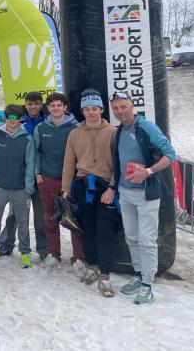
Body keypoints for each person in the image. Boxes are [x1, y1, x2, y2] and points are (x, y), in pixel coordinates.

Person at [111, 92, 176, 305]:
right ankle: (139, 275)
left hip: (147, 194)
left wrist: (148, 171)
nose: (120, 111)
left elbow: (170, 154)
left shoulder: (147, 127)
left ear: (132, 107)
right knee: (131, 237)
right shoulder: (120, 130)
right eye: (116, 108)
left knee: (147, 240)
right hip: (126, 192)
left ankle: (147, 285)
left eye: (123, 107)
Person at [61, 89, 118, 297]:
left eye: (94, 108)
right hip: (82, 185)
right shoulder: (75, 134)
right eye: (87, 109)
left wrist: (112, 187)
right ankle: (92, 266)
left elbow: (119, 163)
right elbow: (69, 162)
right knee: (87, 229)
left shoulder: (113, 132)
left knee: (105, 230)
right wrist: (66, 189)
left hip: (105, 186)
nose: (91, 112)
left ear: (101, 109)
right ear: (82, 111)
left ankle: (105, 273)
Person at [0, 104, 36, 269]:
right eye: (9, 117)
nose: (12, 121)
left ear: (20, 119)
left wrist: (29, 188)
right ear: (5, 118)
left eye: (15, 118)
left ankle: (25, 253)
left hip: (20, 189)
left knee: (23, 222)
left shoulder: (27, 138)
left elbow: (30, 163)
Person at [33, 92, 83, 268]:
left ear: (65, 107)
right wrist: (37, 172)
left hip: (71, 179)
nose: (56, 108)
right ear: (48, 108)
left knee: (74, 217)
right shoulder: (41, 128)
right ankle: (53, 253)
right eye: (52, 105)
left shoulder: (76, 128)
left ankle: (79, 257)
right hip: (47, 177)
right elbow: (36, 152)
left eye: (59, 105)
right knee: (49, 216)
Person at [0, 91, 48, 258]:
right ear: (25, 105)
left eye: (36, 103)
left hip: (40, 175)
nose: (33, 107)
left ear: (41, 105)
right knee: (15, 213)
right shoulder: (18, 120)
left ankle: (43, 248)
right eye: (30, 104)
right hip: (20, 175)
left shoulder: (47, 121)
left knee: (41, 215)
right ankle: (6, 243)